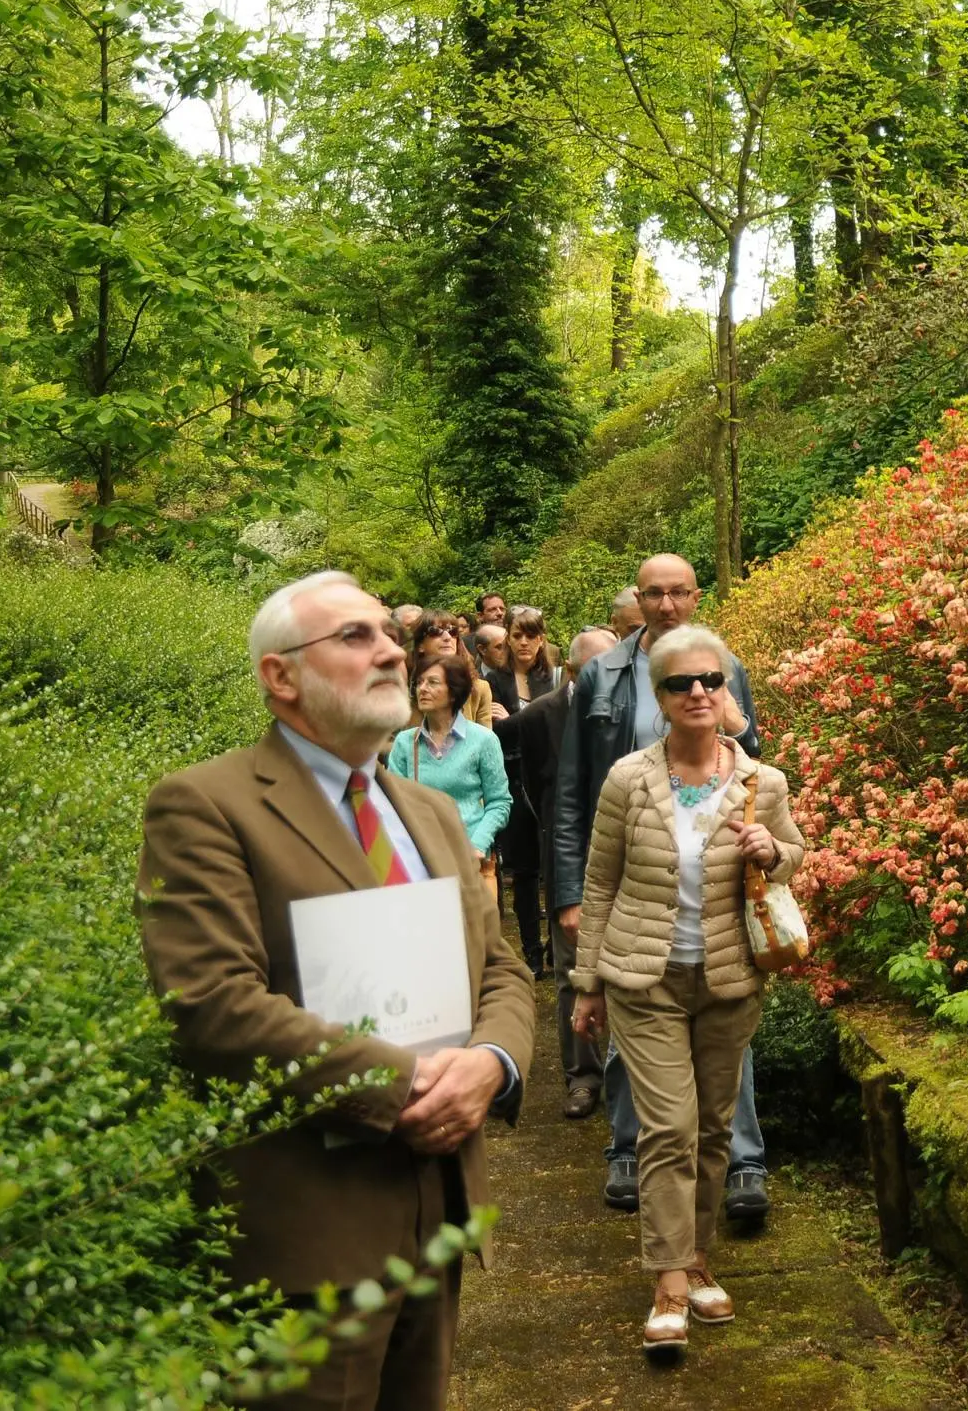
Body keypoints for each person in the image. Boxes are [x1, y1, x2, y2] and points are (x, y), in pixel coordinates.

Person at [133, 570, 533, 1411]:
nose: (391, 648)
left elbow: (498, 966)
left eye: (389, 632)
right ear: (281, 675)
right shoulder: (205, 806)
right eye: (355, 636)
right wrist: (406, 1083)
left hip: (441, 1211)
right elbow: (211, 1005)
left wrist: (492, 1062)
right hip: (305, 1234)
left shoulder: (428, 812)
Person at [570, 625, 805, 1353]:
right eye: (681, 683)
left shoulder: (762, 781)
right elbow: (600, 880)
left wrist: (774, 849)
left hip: (730, 978)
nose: (698, 691)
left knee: (709, 1126)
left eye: (711, 679)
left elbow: (793, 854)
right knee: (668, 1127)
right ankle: (669, 1280)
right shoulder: (628, 780)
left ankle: (697, 1255)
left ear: (727, 687)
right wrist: (586, 983)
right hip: (645, 977)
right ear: (661, 696)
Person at [553, 555, 772, 1219]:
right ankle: (627, 1145)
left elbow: (757, 760)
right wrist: (568, 889)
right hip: (630, 866)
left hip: (716, 871)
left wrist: (736, 721)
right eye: (655, 593)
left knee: (727, 1017)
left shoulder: (722, 663)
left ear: (696, 595)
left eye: (680, 591)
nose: (669, 603)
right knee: (630, 1012)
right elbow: (570, 788)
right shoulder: (604, 673)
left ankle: (742, 1160)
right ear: (637, 600)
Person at [513, 627, 618, 1116]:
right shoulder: (538, 716)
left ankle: (626, 1074)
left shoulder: (629, 704)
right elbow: (535, 790)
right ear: (573, 670)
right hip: (566, 854)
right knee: (572, 972)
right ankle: (582, 1076)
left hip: (624, 854)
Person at [483, 608, 559, 976]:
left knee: (556, 864)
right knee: (524, 871)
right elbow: (492, 734)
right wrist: (530, 719)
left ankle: (557, 946)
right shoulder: (494, 680)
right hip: (511, 779)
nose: (525, 642)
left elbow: (549, 725)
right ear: (508, 640)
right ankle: (531, 949)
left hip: (548, 778)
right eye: (518, 635)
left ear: (542, 638)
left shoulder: (553, 678)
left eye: (532, 635)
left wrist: (513, 720)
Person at [389, 657, 513, 869]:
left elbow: (499, 802)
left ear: (454, 691)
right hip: (421, 858)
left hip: (470, 857)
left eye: (432, 682)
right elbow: (393, 804)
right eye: (419, 682)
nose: (422, 689)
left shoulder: (483, 740)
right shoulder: (405, 742)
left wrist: (478, 844)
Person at [411, 610, 496, 726]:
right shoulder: (405, 690)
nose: (447, 637)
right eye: (435, 631)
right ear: (420, 645)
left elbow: (487, 741)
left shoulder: (479, 688)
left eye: (453, 631)